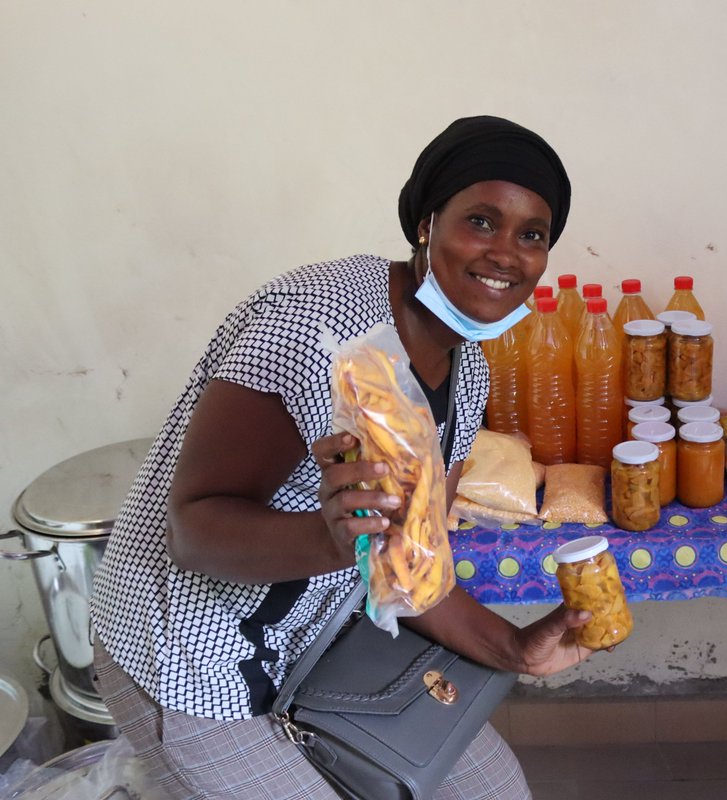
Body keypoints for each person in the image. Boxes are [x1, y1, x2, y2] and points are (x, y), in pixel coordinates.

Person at [89, 116, 589, 800]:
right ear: (427, 224)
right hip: (189, 658)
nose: (506, 253)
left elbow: (409, 563)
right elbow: (193, 531)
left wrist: (515, 649)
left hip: (321, 641)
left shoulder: (468, 373)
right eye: (481, 221)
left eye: (532, 235)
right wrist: (331, 539)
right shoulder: (314, 324)